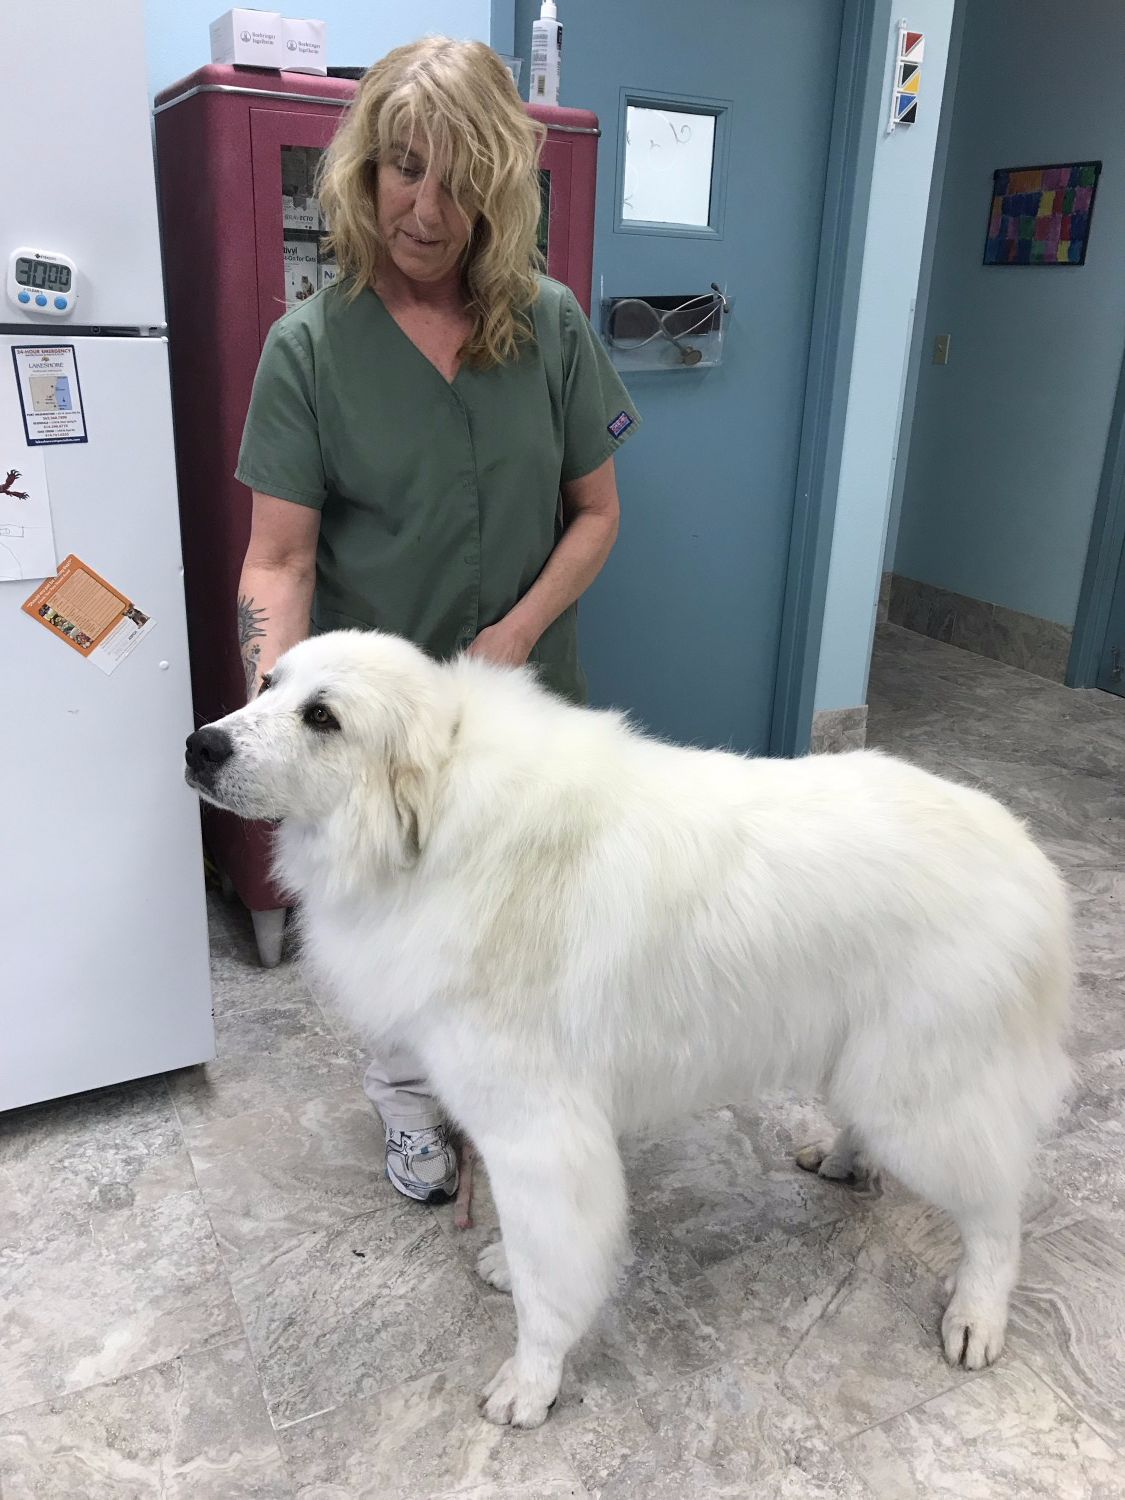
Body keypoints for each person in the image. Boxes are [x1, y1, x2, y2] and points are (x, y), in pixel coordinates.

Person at [233, 36, 641, 1203]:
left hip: (526, 709)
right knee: (404, 937)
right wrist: (279, 711)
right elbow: (278, 557)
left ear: (500, 189)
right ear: (364, 173)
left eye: (460, 177)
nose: (427, 206)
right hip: (384, 736)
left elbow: (598, 516)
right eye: (404, 168)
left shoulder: (550, 327)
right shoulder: (308, 351)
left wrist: (511, 640)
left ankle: (531, 1103)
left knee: (528, 929)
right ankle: (412, 1107)